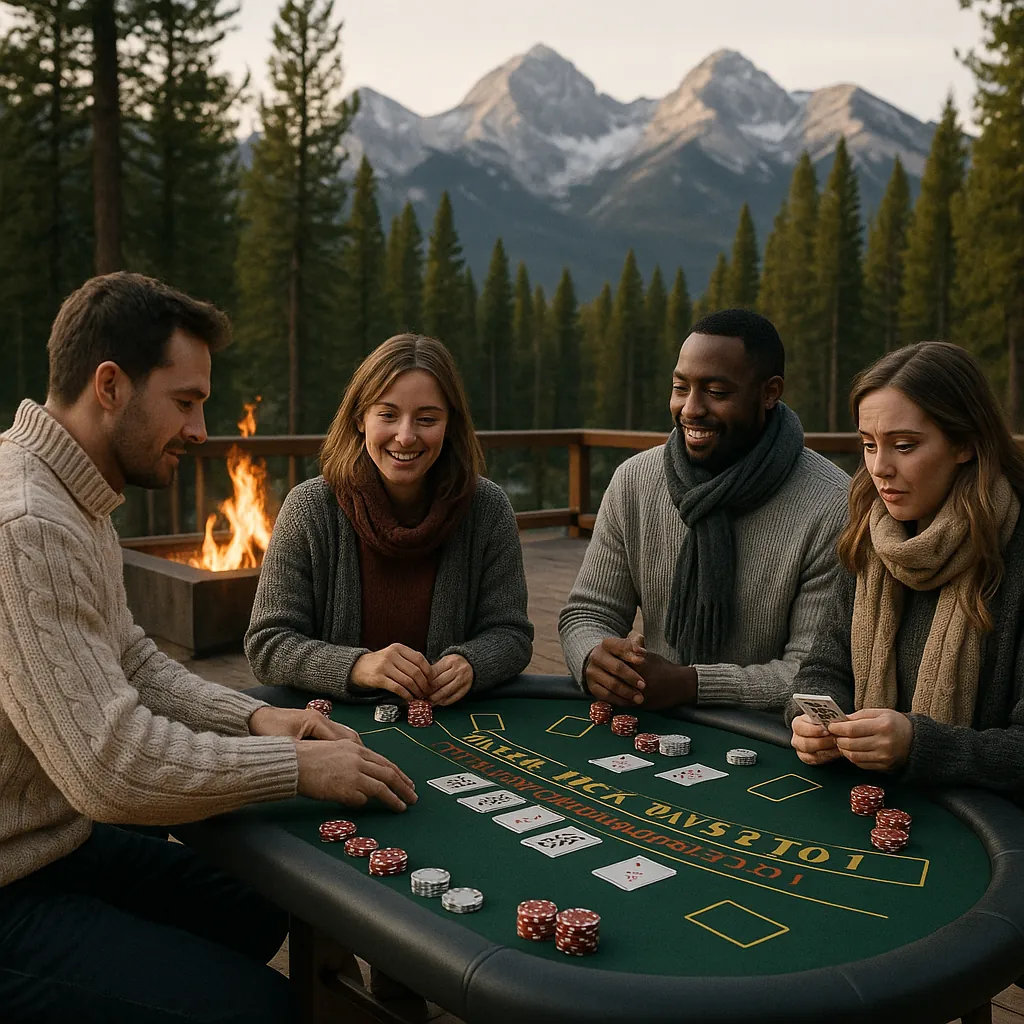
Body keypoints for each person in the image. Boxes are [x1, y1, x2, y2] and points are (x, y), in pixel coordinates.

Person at [0, 272, 417, 1024]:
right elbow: (110, 766)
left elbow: (132, 659)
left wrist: (259, 721)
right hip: (11, 884)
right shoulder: (28, 523)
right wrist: (297, 767)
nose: (200, 429)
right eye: (186, 402)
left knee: (260, 908)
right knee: (263, 1010)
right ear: (109, 385)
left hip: (52, 842)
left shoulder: (75, 495)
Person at [559, 308, 850, 711]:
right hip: (654, 718)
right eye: (681, 387)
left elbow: (811, 675)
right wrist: (594, 657)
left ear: (770, 392)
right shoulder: (634, 481)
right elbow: (588, 613)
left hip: (770, 740)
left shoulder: (833, 504)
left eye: (716, 392)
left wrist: (693, 684)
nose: (691, 409)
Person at [245, 333, 533, 706]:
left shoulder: (488, 508)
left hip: (450, 726)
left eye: (427, 418)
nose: (406, 436)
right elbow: (268, 644)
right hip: (333, 729)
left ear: (451, 425)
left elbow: (511, 634)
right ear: (360, 419)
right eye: (388, 415)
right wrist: (358, 666)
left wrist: (472, 663)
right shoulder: (309, 508)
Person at [789, 342, 1024, 794]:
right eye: (868, 445)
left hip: (995, 833)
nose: (880, 468)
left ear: (966, 443)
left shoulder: (1017, 552)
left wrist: (919, 744)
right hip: (867, 802)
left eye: (904, 446)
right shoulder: (869, 535)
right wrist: (813, 723)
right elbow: (823, 668)